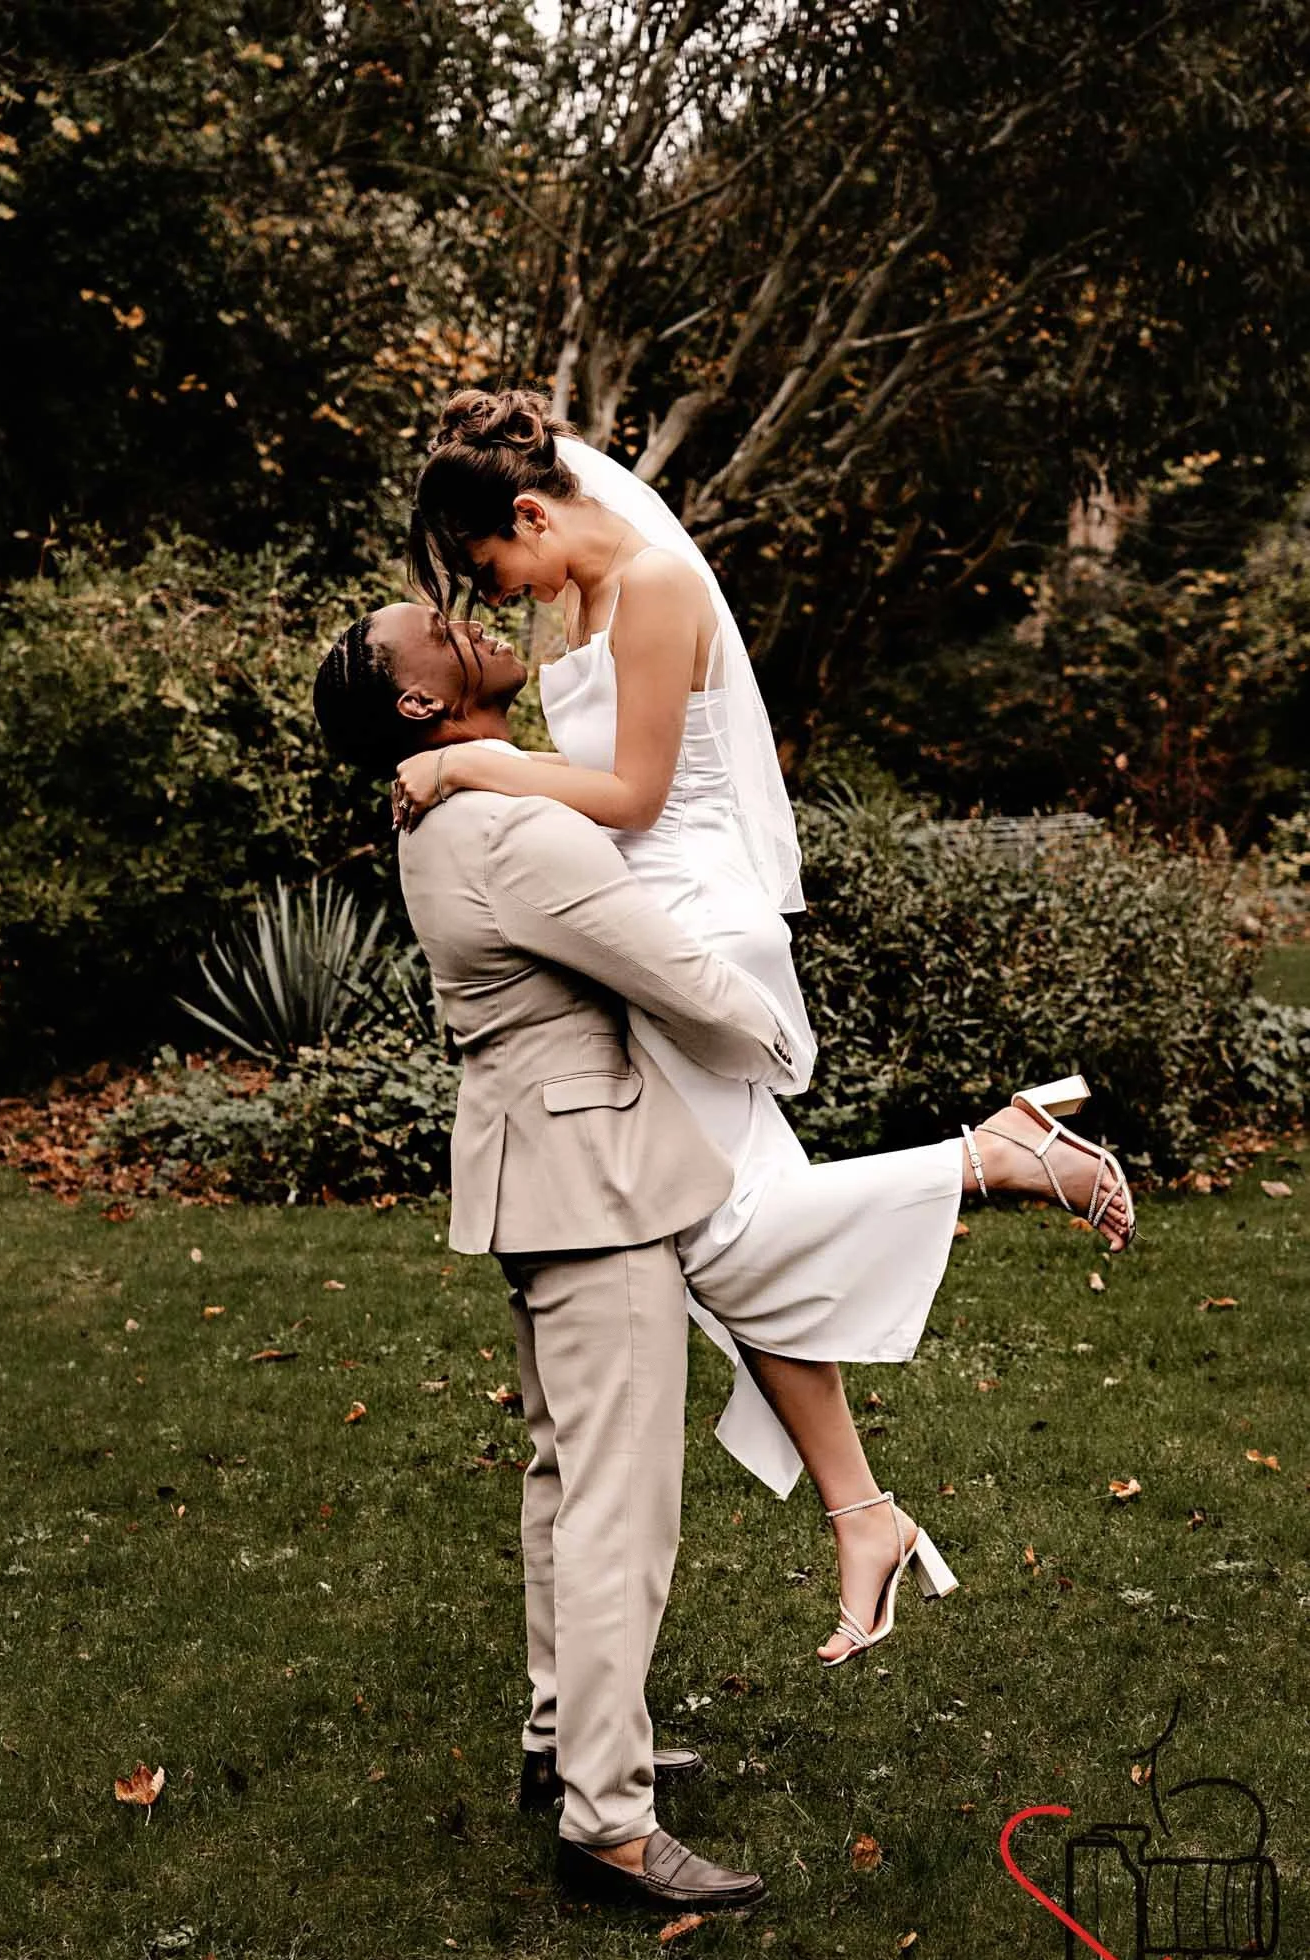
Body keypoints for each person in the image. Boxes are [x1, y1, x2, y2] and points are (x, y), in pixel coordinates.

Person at [392, 390, 1135, 1664]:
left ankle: (998, 1153)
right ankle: (864, 1513)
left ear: (529, 512)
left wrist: (472, 764)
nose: (501, 594)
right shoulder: (580, 590)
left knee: (714, 1242)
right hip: (636, 917)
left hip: (686, 926)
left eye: (494, 564)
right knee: (736, 1240)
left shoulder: (661, 581)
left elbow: (628, 792)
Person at [315, 601, 798, 1910]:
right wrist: (781, 1037)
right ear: (420, 705)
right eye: (433, 630)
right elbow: (674, 974)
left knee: (559, 1482)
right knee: (616, 1511)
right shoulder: (509, 825)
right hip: (593, 1188)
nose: (463, 623)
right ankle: (610, 1821)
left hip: (543, 1172)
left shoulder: (450, 809)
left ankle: (562, 1741)